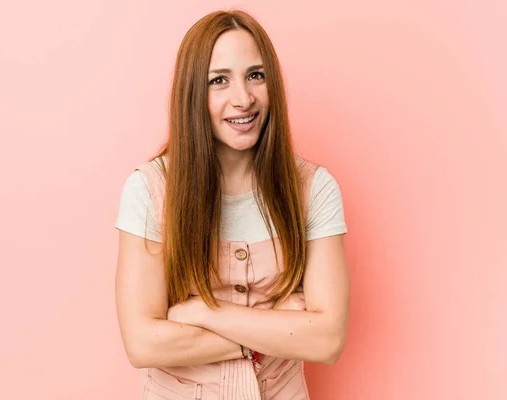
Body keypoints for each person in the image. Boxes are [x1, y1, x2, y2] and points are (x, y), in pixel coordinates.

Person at [114, 9, 350, 400]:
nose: (243, 99)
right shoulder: (150, 189)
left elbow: (327, 340)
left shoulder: (314, 189)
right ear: (193, 93)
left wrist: (201, 313)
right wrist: (278, 330)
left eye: (255, 75)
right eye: (218, 81)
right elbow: (143, 343)